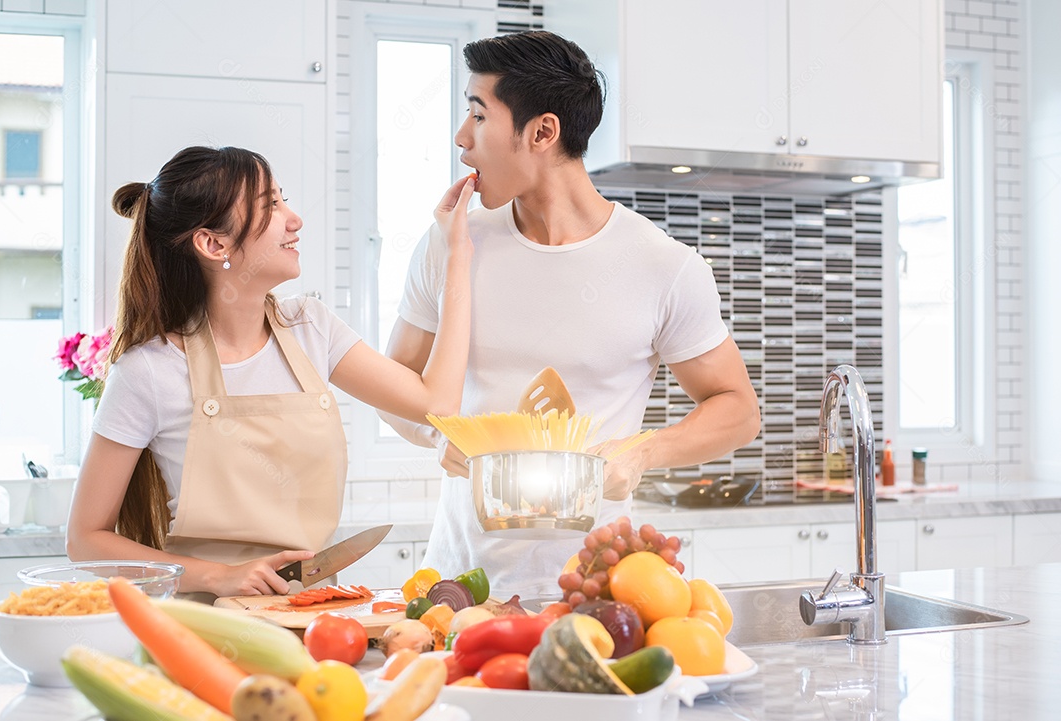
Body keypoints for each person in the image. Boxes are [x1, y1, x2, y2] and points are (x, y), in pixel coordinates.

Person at [379, 31, 761, 600]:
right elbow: (397, 388)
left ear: (542, 132)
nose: (462, 138)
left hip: (595, 588)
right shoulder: (451, 245)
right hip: (458, 585)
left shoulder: (663, 265)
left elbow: (738, 410)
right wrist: (437, 438)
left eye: (478, 116)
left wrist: (645, 451)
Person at [66, 146, 475, 598]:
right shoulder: (150, 369)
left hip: (310, 611)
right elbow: (86, 540)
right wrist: (218, 576)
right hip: (203, 623)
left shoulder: (312, 328)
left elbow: (436, 404)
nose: (294, 218)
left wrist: (454, 253)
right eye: (271, 206)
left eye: (283, 199)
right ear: (213, 243)